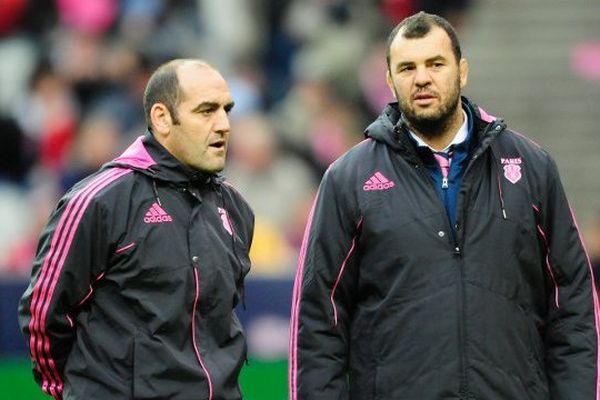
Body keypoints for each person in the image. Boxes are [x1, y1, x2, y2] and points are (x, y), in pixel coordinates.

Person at [289, 12, 599, 400]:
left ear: (462, 71)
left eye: (435, 64)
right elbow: (319, 319)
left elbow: (572, 303)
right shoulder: (348, 179)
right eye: (407, 67)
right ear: (389, 80)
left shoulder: (532, 167)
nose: (422, 78)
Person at [18, 59, 254, 400]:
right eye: (206, 111)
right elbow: (43, 316)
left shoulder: (235, 207)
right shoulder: (97, 202)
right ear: (161, 118)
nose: (224, 125)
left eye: (226, 110)